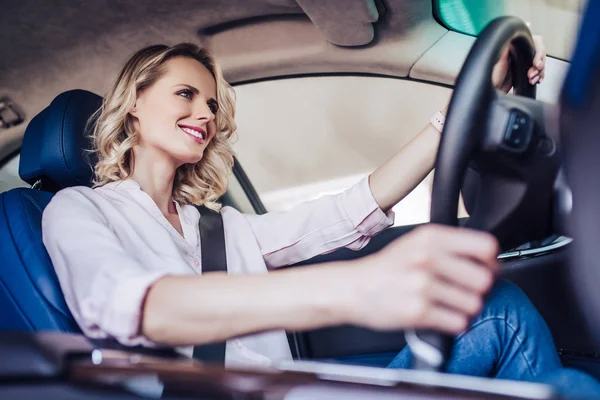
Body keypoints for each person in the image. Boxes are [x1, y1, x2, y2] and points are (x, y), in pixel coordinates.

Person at [41, 39, 599, 395]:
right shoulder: (78, 210)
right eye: (186, 94)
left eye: (212, 104)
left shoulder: (222, 228)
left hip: (310, 392)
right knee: (573, 389)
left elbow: (351, 210)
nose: (205, 114)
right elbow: (138, 307)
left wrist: (458, 112)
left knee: (496, 306)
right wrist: (353, 286)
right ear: (134, 102)